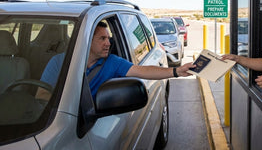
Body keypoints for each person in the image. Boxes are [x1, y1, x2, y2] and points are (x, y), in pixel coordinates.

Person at [36, 21, 195, 100]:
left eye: (108, 38)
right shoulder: (59, 62)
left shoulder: (112, 62)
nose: (108, 43)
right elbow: (41, 95)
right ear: (87, 41)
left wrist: (176, 71)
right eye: (102, 39)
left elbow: (142, 71)